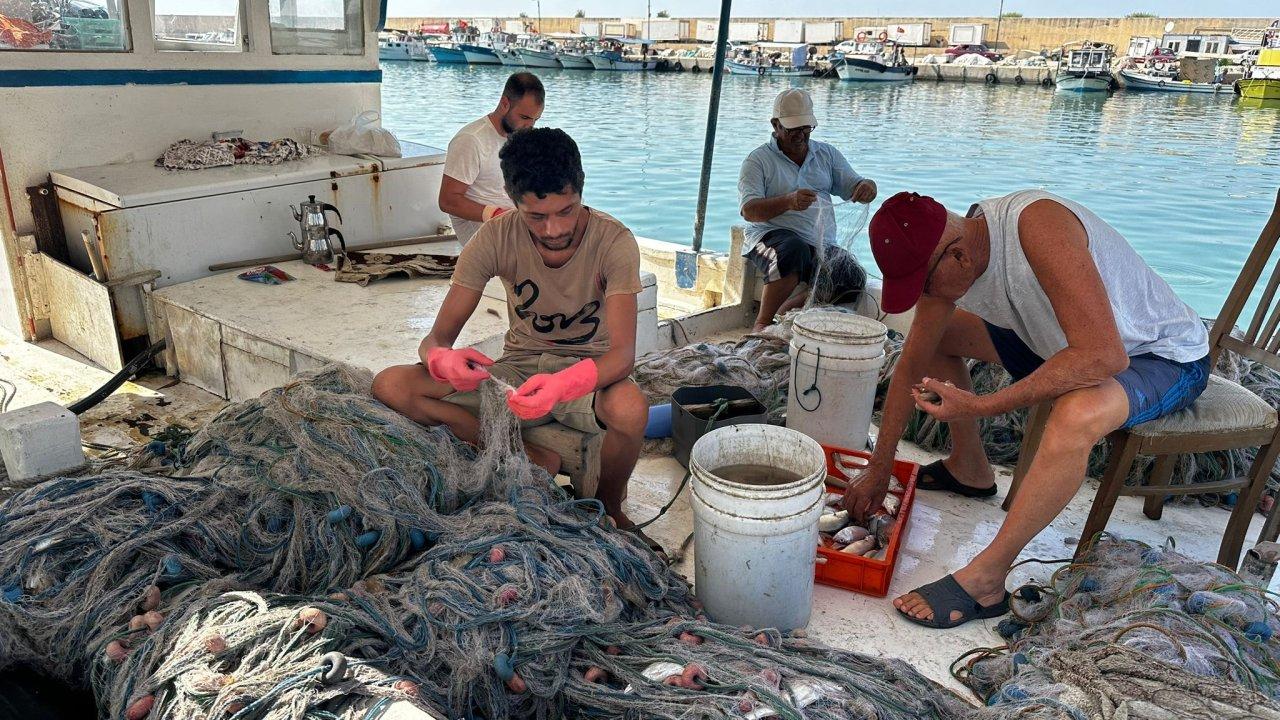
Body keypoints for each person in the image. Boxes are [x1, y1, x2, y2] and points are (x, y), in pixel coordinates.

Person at [844, 190, 1210, 629]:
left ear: (958, 257)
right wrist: (881, 464)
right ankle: (970, 469)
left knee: (1075, 414)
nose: (925, 297)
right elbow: (912, 363)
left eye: (923, 286)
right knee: (938, 338)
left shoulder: (1039, 226)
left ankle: (987, 579)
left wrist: (981, 405)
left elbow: (1103, 357)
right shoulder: (956, 246)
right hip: (1061, 341)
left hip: (1158, 356)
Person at [373, 128, 656, 550]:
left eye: (566, 211)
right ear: (510, 198)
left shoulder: (613, 241)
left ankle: (610, 507)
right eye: (536, 217)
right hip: (518, 369)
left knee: (631, 409)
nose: (554, 229)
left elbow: (621, 357)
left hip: (588, 376)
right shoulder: (494, 237)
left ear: (580, 188)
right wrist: (441, 360)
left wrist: (562, 385)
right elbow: (435, 339)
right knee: (391, 384)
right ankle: (521, 454)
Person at [738, 88, 877, 332]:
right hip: (769, 237)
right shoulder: (757, 160)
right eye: (793, 129)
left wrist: (868, 187)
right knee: (794, 250)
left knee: (851, 275)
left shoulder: (826, 154)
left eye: (806, 128)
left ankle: (787, 314)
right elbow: (749, 211)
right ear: (775, 125)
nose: (800, 135)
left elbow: (856, 185)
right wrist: (788, 201)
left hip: (820, 242)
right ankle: (763, 323)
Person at [438, 72, 545, 246]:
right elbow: (447, 201)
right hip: (488, 238)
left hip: (518, 228)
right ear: (504, 103)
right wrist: (496, 215)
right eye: (525, 118)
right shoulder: (471, 140)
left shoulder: (521, 138)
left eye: (535, 119)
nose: (530, 126)